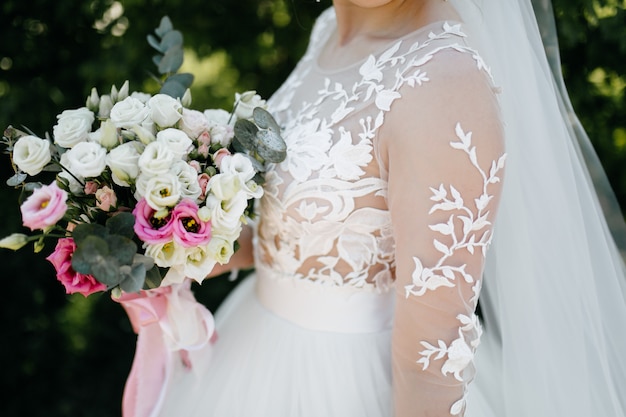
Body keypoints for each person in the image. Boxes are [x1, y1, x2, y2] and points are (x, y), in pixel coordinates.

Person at [119, 0, 626, 416]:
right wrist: (180, 248)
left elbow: (430, 364)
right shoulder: (330, 29)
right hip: (254, 339)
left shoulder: (442, 80)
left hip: (347, 384)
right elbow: (322, 230)